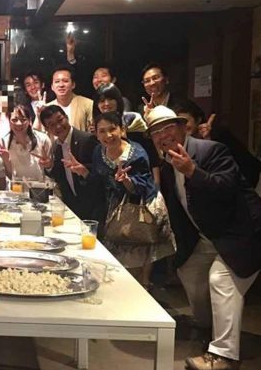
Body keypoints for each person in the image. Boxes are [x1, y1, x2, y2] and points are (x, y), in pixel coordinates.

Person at [146, 105, 261, 370]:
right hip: (210, 236)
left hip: (245, 233)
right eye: (156, 133)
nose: (163, 136)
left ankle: (224, 354)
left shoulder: (210, 151)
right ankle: (207, 325)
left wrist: (192, 171)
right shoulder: (168, 166)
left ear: (182, 128)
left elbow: (227, 189)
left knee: (221, 279)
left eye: (168, 128)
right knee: (188, 268)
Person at [64, 112, 176, 287]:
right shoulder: (98, 151)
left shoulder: (136, 153)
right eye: (102, 131)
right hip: (114, 208)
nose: (108, 135)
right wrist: (83, 171)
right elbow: (98, 181)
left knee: (140, 254)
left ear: (122, 130)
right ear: (96, 134)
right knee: (120, 264)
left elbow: (144, 187)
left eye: (112, 129)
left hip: (140, 208)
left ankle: (144, 288)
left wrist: (127, 181)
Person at [171, 98, 261, 187]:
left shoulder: (218, 134)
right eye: (177, 123)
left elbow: (243, 168)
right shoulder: (181, 143)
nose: (181, 126)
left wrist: (208, 140)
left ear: (198, 119)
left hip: (247, 182)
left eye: (185, 121)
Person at [40, 105, 103, 222]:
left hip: (94, 206)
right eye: (51, 124)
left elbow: (101, 173)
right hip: (73, 208)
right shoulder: (56, 147)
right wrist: (49, 166)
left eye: (60, 120)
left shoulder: (87, 139)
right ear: (47, 129)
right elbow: (59, 177)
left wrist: (84, 171)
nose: (58, 126)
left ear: (67, 117)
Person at [92, 83, 161, 184]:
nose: (106, 103)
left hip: (141, 182)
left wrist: (157, 184)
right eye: (102, 101)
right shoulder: (95, 127)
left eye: (110, 99)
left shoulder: (133, 121)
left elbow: (151, 154)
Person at [0, 104, 52, 181]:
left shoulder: (43, 139)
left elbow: (52, 172)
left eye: (23, 119)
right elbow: (9, 177)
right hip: (17, 187)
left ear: (29, 121)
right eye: (14, 120)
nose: (19, 123)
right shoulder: (4, 143)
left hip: (40, 186)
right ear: (9, 121)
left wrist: (48, 165)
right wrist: (7, 161)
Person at [35, 65, 93, 133]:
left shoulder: (87, 104)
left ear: (73, 84)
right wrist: (38, 115)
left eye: (65, 81)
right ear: (52, 87)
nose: (61, 85)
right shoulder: (47, 107)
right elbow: (37, 134)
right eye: (57, 81)